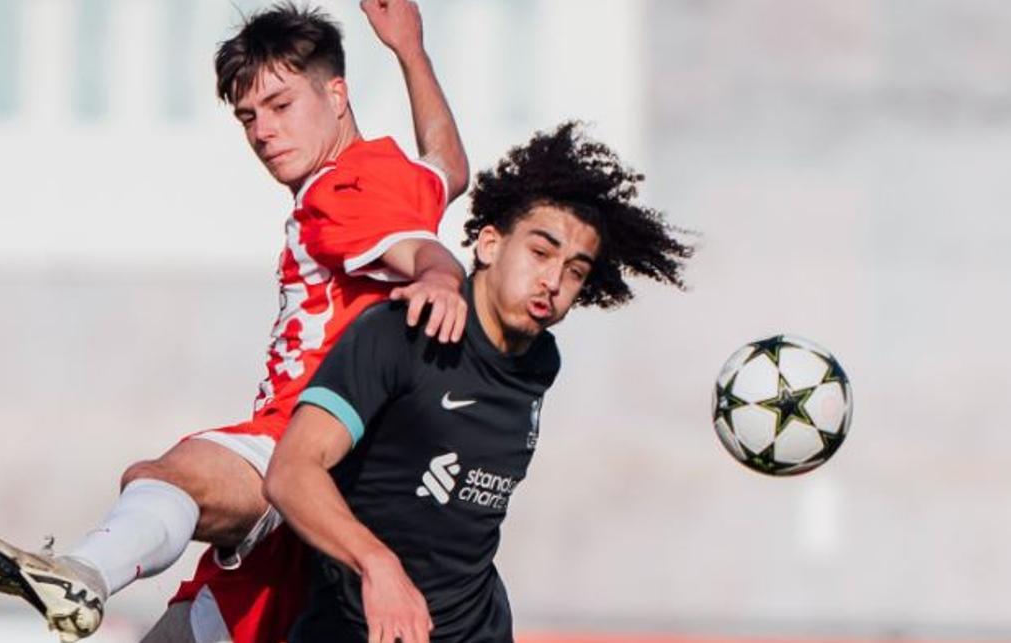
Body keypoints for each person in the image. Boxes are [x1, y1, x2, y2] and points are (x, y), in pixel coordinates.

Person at [0, 0, 469, 643]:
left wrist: (440, 275)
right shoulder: (394, 174)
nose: (263, 131)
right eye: (248, 116)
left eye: (280, 106)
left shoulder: (339, 192)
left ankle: (82, 571)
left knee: (165, 478)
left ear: (337, 94)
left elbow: (420, 252)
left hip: (299, 451)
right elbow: (449, 168)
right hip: (333, 505)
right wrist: (411, 53)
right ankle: (84, 571)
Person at [265, 122, 694, 642]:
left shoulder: (541, 361)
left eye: (575, 271)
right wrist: (378, 564)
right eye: (540, 253)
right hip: (360, 629)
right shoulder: (403, 331)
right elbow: (291, 472)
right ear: (490, 243)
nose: (553, 282)